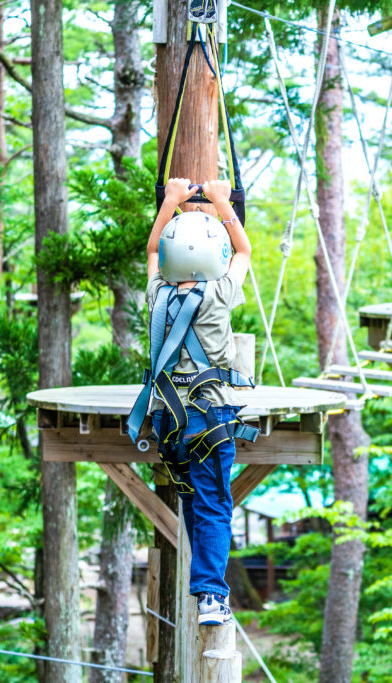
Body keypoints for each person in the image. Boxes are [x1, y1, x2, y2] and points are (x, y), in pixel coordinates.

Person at [143, 177, 253, 625]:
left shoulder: (157, 297)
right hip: (212, 416)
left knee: (192, 498)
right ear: (214, 257)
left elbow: (152, 253)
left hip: (169, 419)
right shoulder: (220, 295)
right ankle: (211, 594)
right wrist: (224, 205)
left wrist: (170, 202)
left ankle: (206, 587)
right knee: (212, 505)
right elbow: (243, 252)